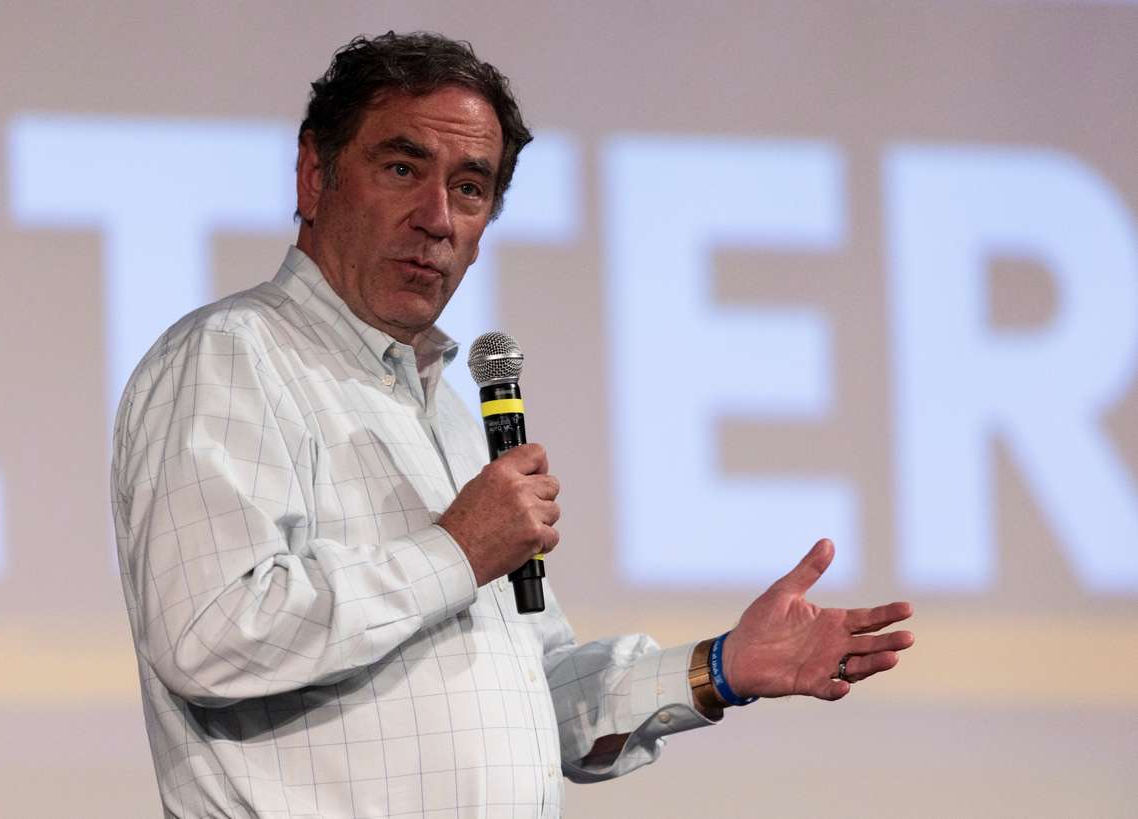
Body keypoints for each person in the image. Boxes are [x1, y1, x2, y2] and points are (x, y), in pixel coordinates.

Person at [111, 31, 915, 819]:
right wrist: (456, 550)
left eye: (470, 188)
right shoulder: (232, 355)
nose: (436, 218)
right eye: (402, 168)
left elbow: (536, 693)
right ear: (315, 175)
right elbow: (211, 634)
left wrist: (721, 667)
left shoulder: (449, 417)